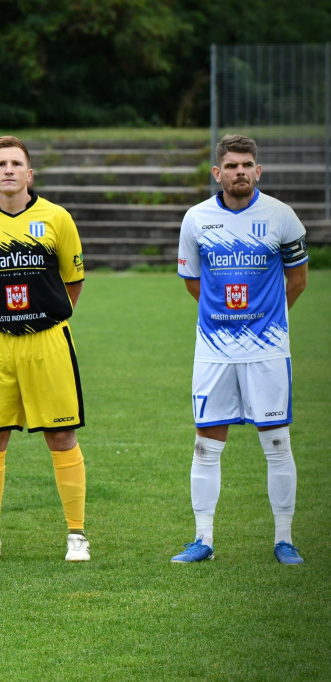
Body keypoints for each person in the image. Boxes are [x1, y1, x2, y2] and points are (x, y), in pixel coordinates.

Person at [172, 134, 309, 565]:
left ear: (258, 170)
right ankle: (203, 540)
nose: (240, 172)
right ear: (218, 172)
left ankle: (284, 540)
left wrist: (265, 323)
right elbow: (194, 281)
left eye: (247, 164)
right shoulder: (196, 219)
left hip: (268, 352)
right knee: (206, 445)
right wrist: (227, 323)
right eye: (231, 165)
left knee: (277, 443)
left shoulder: (282, 217)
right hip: (214, 351)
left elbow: (299, 279)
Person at [0, 135, 89, 563]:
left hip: (48, 341)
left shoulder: (57, 218)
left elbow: (73, 282)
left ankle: (76, 535)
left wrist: (43, 316)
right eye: (1, 163)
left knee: (61, 434)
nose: (9, 169)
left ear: (29, 174)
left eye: (17, 163)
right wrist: (2, 317)